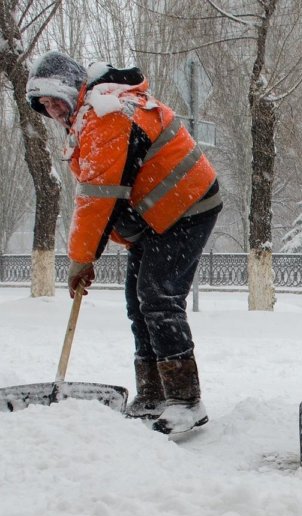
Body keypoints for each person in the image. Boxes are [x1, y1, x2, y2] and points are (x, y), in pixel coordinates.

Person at [26, 51, 222, 436]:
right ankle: (152, 394)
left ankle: (185, 401)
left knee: (158, 297)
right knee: (138, 299)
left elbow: (99, 196)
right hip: (159, 217)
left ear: (71, 89)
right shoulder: (91, 116)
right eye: (43, 105)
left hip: (188, 207)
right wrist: (89, 254)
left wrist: (81, 259)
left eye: (54, 100)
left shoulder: (107, 113)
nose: (51, 110)